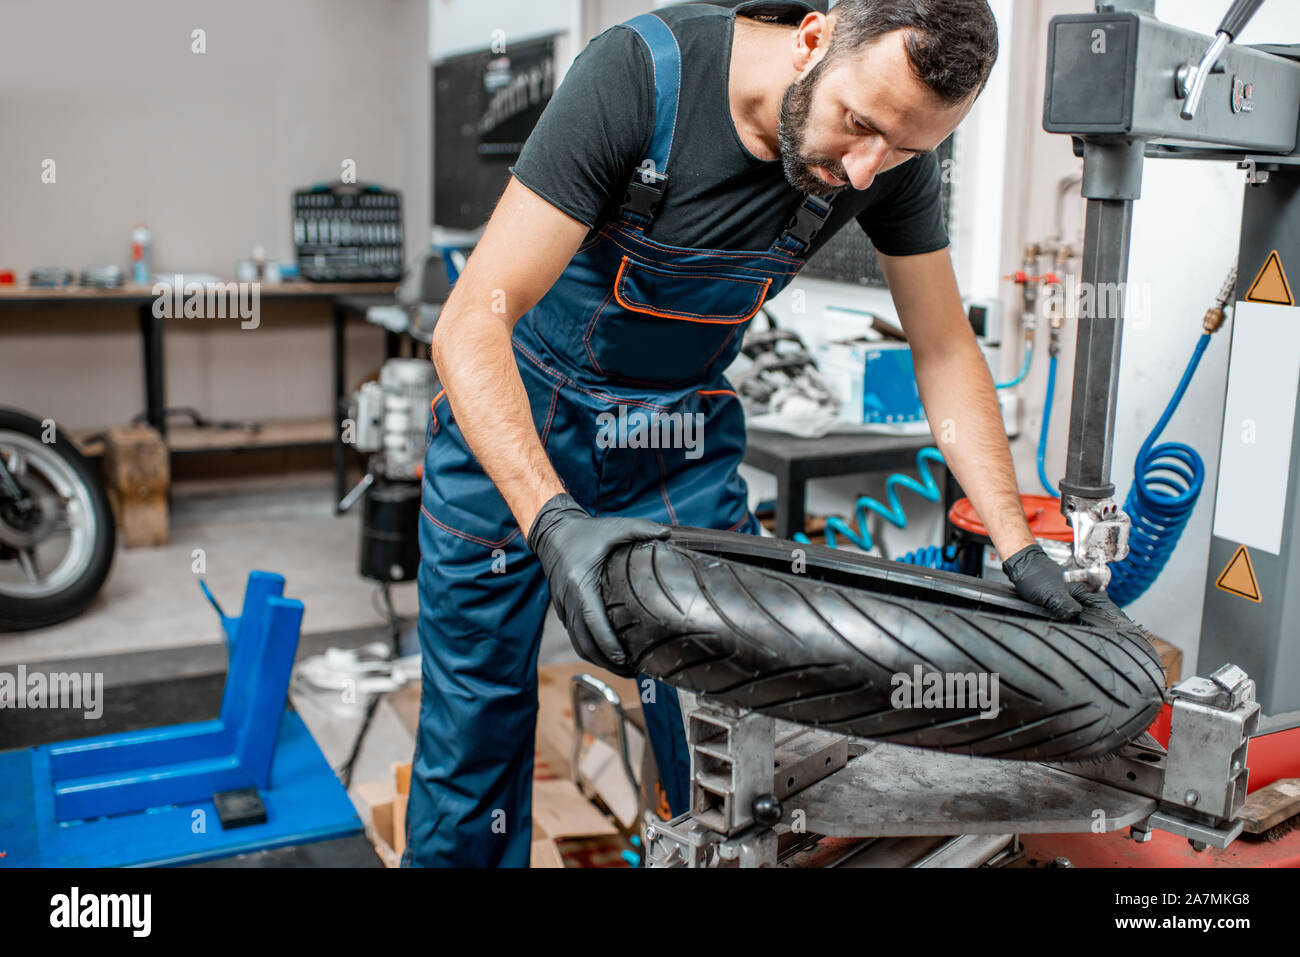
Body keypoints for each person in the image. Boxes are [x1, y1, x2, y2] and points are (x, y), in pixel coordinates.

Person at [405, 0, 1100, 867]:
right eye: (859, 126)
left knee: (733, 738)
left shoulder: (886, 157)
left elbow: (944, 346)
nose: (864, 170)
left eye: (905, 151)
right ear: (813, 38)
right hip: (516, 420)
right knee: (475, 734)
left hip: (677, 449)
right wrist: (550, 520)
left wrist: (1014, 544)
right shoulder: (638, 79)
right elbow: (470, 324)